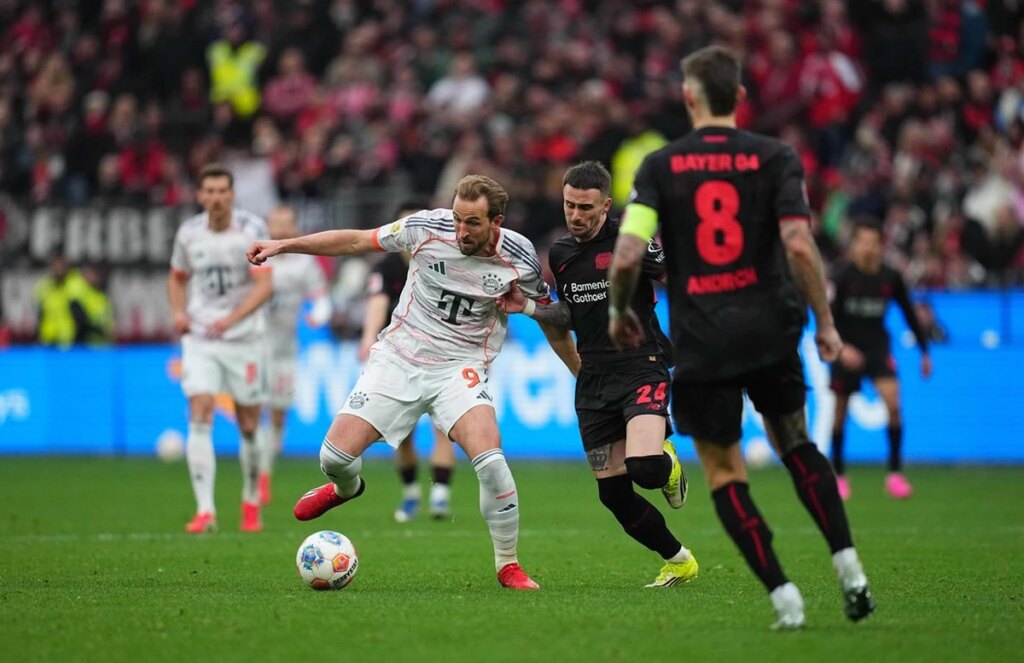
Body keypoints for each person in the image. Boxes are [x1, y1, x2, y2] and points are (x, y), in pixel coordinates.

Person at [607, 45, 874, 629]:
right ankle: (850, 569)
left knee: (726, 472)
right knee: (796, 444)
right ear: (741, 98)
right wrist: (825, 324)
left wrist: (619, 311)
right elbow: (801, 245)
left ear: (688, 97)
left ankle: (785, 598)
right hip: (772, 329)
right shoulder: (776, 156)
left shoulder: (659, 166)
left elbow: (627, 252)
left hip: (704, 341)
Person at [248, 175, 576, 589]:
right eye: (457, 218)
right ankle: (347, 488)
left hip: (460, 365)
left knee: (492, 462)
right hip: (399, 357)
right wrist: (284, 246)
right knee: (333, 458)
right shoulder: (425, 227)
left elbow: (557, 318)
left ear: (497, 222)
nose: (460, 231)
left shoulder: (520, 256)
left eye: (472, 223)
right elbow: (355, 241)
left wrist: (568, 358)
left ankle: (507, 564)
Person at [500, 161, 698, 587]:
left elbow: (677, 279)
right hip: (594, 378)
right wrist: (529, 308)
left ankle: (669, 465)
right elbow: (573, 314)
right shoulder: (561, 253)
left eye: (586, 207)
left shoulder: (631, 242)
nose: (575, 215)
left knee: (644, 467)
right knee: (613, 494)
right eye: (570, 205)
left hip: (642, 363)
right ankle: (679, 560)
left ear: (606, 205)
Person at [168, 163, 272, 534]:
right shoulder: (189, 233)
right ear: (200, 196)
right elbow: (178, 278)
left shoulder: (252, 230)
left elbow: (264, 286)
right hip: (200, 338)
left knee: (247, 423)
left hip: (244, 338)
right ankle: (206, 510)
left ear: (231, 195)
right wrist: (179, 312)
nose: (215, 198)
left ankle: (250, 500)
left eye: (221, 191)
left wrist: (231, 319)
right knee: (200, 409)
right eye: (208, 191)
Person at [360, 200, 457, 523]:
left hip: (444, 358)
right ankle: (412, 494)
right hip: (401, 359)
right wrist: (369, 336)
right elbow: (378, 301)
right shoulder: (387, 268)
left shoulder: (441, 260)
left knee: (445, 429)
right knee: (404, 434)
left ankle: (440, 497)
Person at [830, 218, 933, 501]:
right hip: (846, 348)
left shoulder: (890, 277)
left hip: (877, 348)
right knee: (839, 415)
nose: (867, 248)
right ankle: (839, 475)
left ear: (880, 246)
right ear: (853, 246)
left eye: (873, 243)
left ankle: (895, 474)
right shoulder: (841, 277)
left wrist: (924, 352)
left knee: (894, 406)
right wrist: (840, 349)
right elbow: (828, 318)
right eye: (862, 242)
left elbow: (908, 313)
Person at [259, 205, 332, 506]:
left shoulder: (304, 265)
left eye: (286, 223)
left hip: (285, 351)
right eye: (275, 223)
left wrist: (318, 314)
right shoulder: (256, 259)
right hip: (252, 348)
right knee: (251, 415)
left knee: (277, 415)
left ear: (293, 226)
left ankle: (263, 473)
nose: (280, 228)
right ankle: (258, 477)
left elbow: (322, 299)